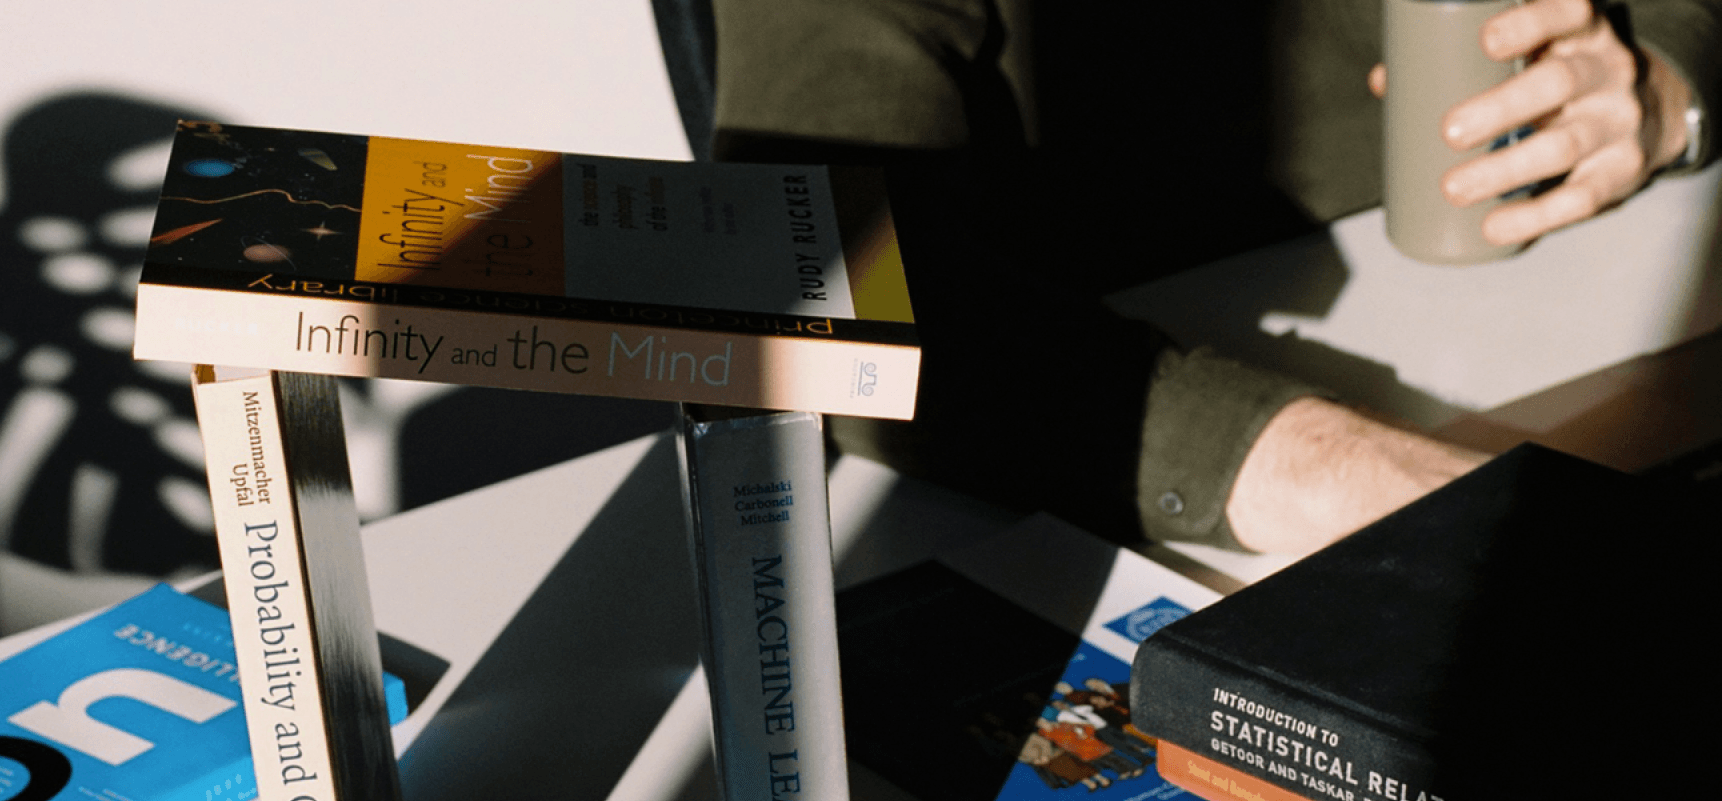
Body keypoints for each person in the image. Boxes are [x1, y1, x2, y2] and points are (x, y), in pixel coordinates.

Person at [691, 0, 1718, 555]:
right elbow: (799, 277)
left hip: (1609, 333)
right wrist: (1319, 470)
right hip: (1113, 460)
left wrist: (1669, 78)